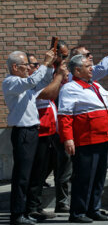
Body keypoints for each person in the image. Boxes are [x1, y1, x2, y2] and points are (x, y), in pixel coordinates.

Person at [57, 54, 108, 223]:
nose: (92, 68)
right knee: (84, 177)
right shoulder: (70, 88)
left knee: (99, 177)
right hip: (86, 139)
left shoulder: (96, 86)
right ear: (77, 70)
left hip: (102, 138)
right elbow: (65, 116)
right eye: (88, 66)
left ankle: (93, 208)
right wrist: (68, 139)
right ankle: (78, 212)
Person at [3, 50, 56, 225]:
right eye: (26, 65)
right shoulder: (11, 82)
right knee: (22, 175)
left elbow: (43, 81)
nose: (29, 68)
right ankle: (17, 214)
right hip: (23, 132)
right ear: (15, 67)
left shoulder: (25, 84)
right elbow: (32, 81)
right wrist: (46, 64)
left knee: (33, 173)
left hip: (33, 130)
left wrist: (49, 67)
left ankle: (27, 210)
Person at [24, 54, 67, 221]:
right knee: (35, 174)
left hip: (49, 133)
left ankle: (36, 205)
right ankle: (30, 207)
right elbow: (49, 93)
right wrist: (58, 76)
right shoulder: (28, 85)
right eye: (34, 65)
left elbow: (53, 89)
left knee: (41, 174)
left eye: (37, 64)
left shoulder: (37, 81)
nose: (37, 67)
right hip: (38, 133)